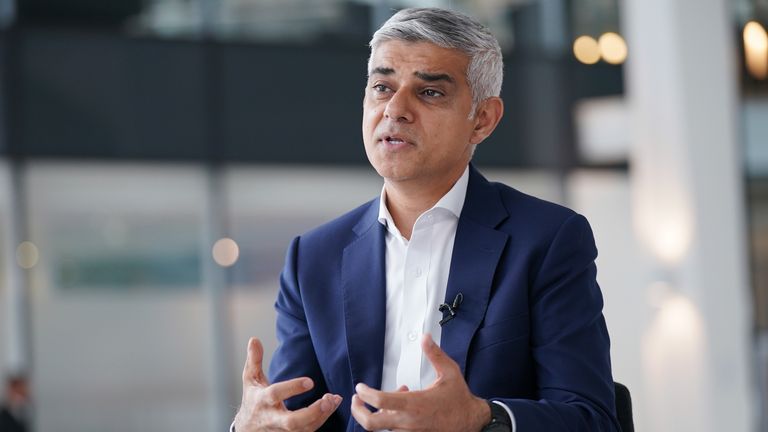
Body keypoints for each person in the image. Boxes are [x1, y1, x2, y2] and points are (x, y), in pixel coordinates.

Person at [232, 7, 619, 432]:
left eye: (429, 92)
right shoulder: (314, 257)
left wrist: (479, 417)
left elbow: (591, 419)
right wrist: (251, 427)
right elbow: (294, 419)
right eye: (382, 87)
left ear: (483, 120)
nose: (395, 109)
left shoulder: (547, 240)